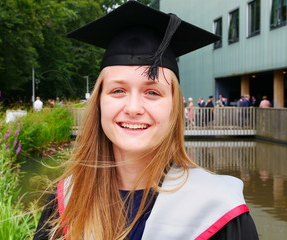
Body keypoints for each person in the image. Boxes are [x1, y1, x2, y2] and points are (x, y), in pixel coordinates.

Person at [34, 2, 258, 240]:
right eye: (118, 90)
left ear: (174, 105)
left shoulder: (220, 209)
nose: (132, 108)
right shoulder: (65, 201)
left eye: (152, 92)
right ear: (99, 102)